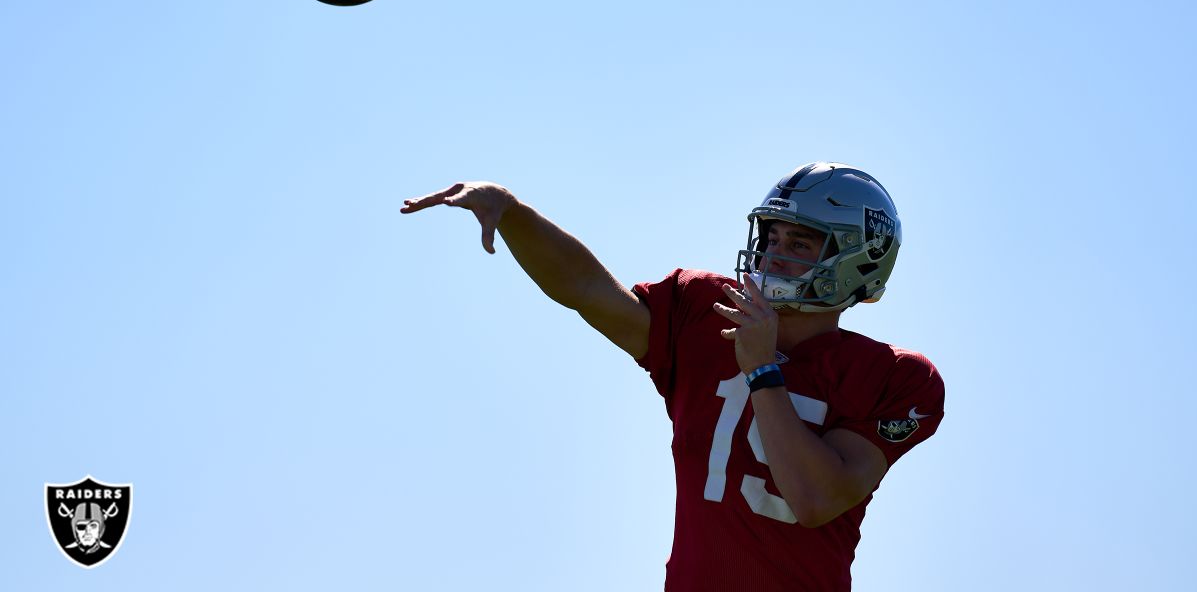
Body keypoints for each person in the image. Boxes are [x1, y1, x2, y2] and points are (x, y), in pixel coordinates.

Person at [401, 162, 945, 591]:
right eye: (771, 237)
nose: (773, 255)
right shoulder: (705, 311)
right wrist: (513, 211)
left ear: (859, 261)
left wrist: (761, 369)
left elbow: (813, 498)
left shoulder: (896, 378)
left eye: (799, 243)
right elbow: (589, 291)